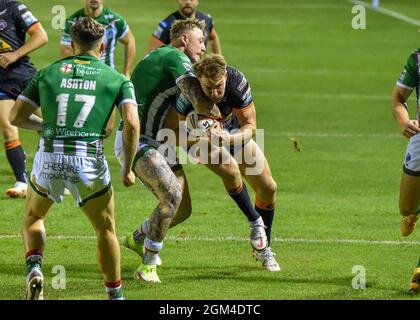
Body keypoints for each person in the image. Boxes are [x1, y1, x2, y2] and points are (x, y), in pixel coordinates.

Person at [10, 17, 139, 300]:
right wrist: (127, 169)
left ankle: (34, 267)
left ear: (71, 44)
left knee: (33, 216)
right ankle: (115, 295)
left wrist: (44, 127)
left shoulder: (48, 72)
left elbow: (15, 116)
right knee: (105, 229)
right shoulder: (117, 78)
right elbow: (131, 123)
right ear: (102, 46)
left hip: (51, 155)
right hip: (88, 161)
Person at [115, 18, 221, 284]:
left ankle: (138, 238)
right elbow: (199, 100)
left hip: (159, 140)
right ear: (184, 39)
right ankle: (147, 266)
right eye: (200, 42)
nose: (203, 49)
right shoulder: (175, 57)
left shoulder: (163, 57)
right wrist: (223, 113)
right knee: (172, 194)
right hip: (137, 141)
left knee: (181, 209)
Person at [176, 54, 280, 271]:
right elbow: (178, 134)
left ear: (225, 76)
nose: (214, 93)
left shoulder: (236, 82)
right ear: (198, 81)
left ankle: (262, 247)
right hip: (198, 140)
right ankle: (259, 234)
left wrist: (228, 138)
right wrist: (202, 135)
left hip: (231, 132)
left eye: (219, 86)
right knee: (231, 170)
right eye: (208, 88)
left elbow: (251, 126)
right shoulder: (188, 93)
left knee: (268, 187)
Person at [0, 0, 48, 198]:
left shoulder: (13, 8)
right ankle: (22, 182)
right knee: (7, 127)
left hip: (25, 79)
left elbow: (41, 36)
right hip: (2, 84)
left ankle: (58, 177)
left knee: (54, 126)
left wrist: (15, 54)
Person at [391, 48, 420, 293]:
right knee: (406, 207)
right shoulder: (417, 59)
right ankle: (415, 211)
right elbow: (399, 97)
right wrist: (404, 121)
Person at [60, 0, 136, 78]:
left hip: (106, 75)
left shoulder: (115, 21)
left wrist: (127, 71)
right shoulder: (72, 22)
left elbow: (130, 41)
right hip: (83, 75)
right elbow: (66, 51)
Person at [147, 0, 221, 55]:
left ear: (197, 1)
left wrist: (217, 58)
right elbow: (152, 52)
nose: (188, 2)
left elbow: (213, 37)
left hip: (198, 70)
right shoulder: (166, 24)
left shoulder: (206, 19)